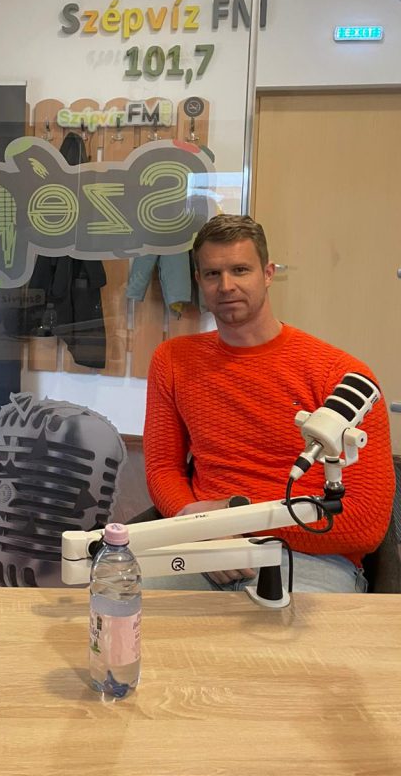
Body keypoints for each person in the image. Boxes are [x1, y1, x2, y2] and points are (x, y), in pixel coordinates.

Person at [143, 214, 394, 593]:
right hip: (203, 546)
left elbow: (366, 525)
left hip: (307, 557)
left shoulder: (342, 375)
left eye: (240, 270)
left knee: (276, 633)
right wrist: (196, 526)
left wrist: (232, 521)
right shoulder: (173, 360)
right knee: (113, 606)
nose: (226, 286)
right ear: (198, 281)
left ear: (268, 274)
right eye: (212, 274)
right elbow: (163, 468)